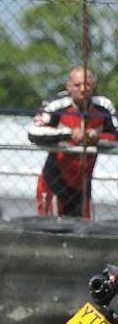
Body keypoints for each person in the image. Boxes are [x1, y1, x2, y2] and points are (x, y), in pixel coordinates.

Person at [28, 66, 118, 219]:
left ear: (94, 84)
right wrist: (68, 133)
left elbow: (114, 134)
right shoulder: (57, 104)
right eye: (77, 85)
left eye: (87, 84)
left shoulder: (103, 106)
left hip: (83, 184)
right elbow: (33, 132)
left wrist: (96, 137)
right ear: (68, 86)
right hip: (55, 180)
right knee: (49, 231)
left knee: (83, 232)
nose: (83, 89)